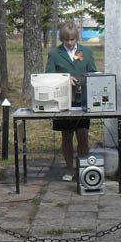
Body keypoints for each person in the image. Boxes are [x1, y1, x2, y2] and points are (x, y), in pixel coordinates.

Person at [44, 21, 97, 182]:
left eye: (73, 39)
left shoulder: (86, 52)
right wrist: (65, 79)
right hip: (63, 101)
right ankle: (69, 167)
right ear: (62, 39)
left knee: (83, 134)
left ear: (76, 38)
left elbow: (93, 73)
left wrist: (83, 81)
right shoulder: (54, 54)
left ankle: (83, 167)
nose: (70, 43)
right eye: (66, 40)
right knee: (66, 136)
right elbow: (48, 76)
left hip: (82, 100)